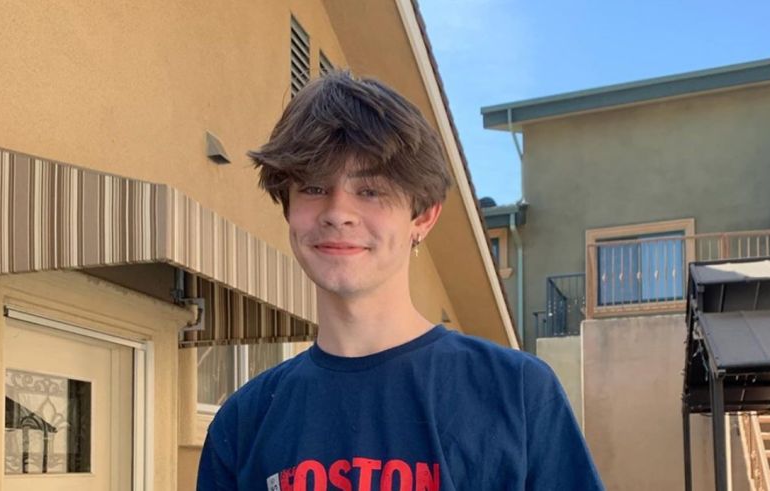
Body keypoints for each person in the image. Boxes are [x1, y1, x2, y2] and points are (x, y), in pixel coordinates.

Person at [197, 70, 603, 491]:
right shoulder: (244, 421)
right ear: (287, 207)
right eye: (314, 188)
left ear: (423, 216)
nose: (338, 212)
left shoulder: (517, 393)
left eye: (370, 191)